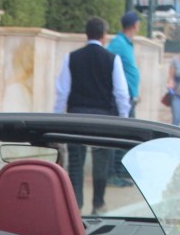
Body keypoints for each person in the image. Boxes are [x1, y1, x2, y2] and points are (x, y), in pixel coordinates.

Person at [53, 16, 131, 214]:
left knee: (76, 162)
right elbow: (121, 93)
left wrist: (56, 119)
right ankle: (98, 204)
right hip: (103, 119)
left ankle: (75, 205)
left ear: (86, 34)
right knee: (101, 161)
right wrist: (124, 121)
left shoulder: (72, 57)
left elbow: (63, 92)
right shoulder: (113, 59)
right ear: (104, 36)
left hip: (76, 116)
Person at [107, 11, 141, 184]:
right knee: (121, 137)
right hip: (122, 99)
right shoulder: (119, 43)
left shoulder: (127, 43)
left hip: (130, 97)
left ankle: (122, 172)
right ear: (134, 25)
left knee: (129, 137)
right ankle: (115, 174)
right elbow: (107, 59)